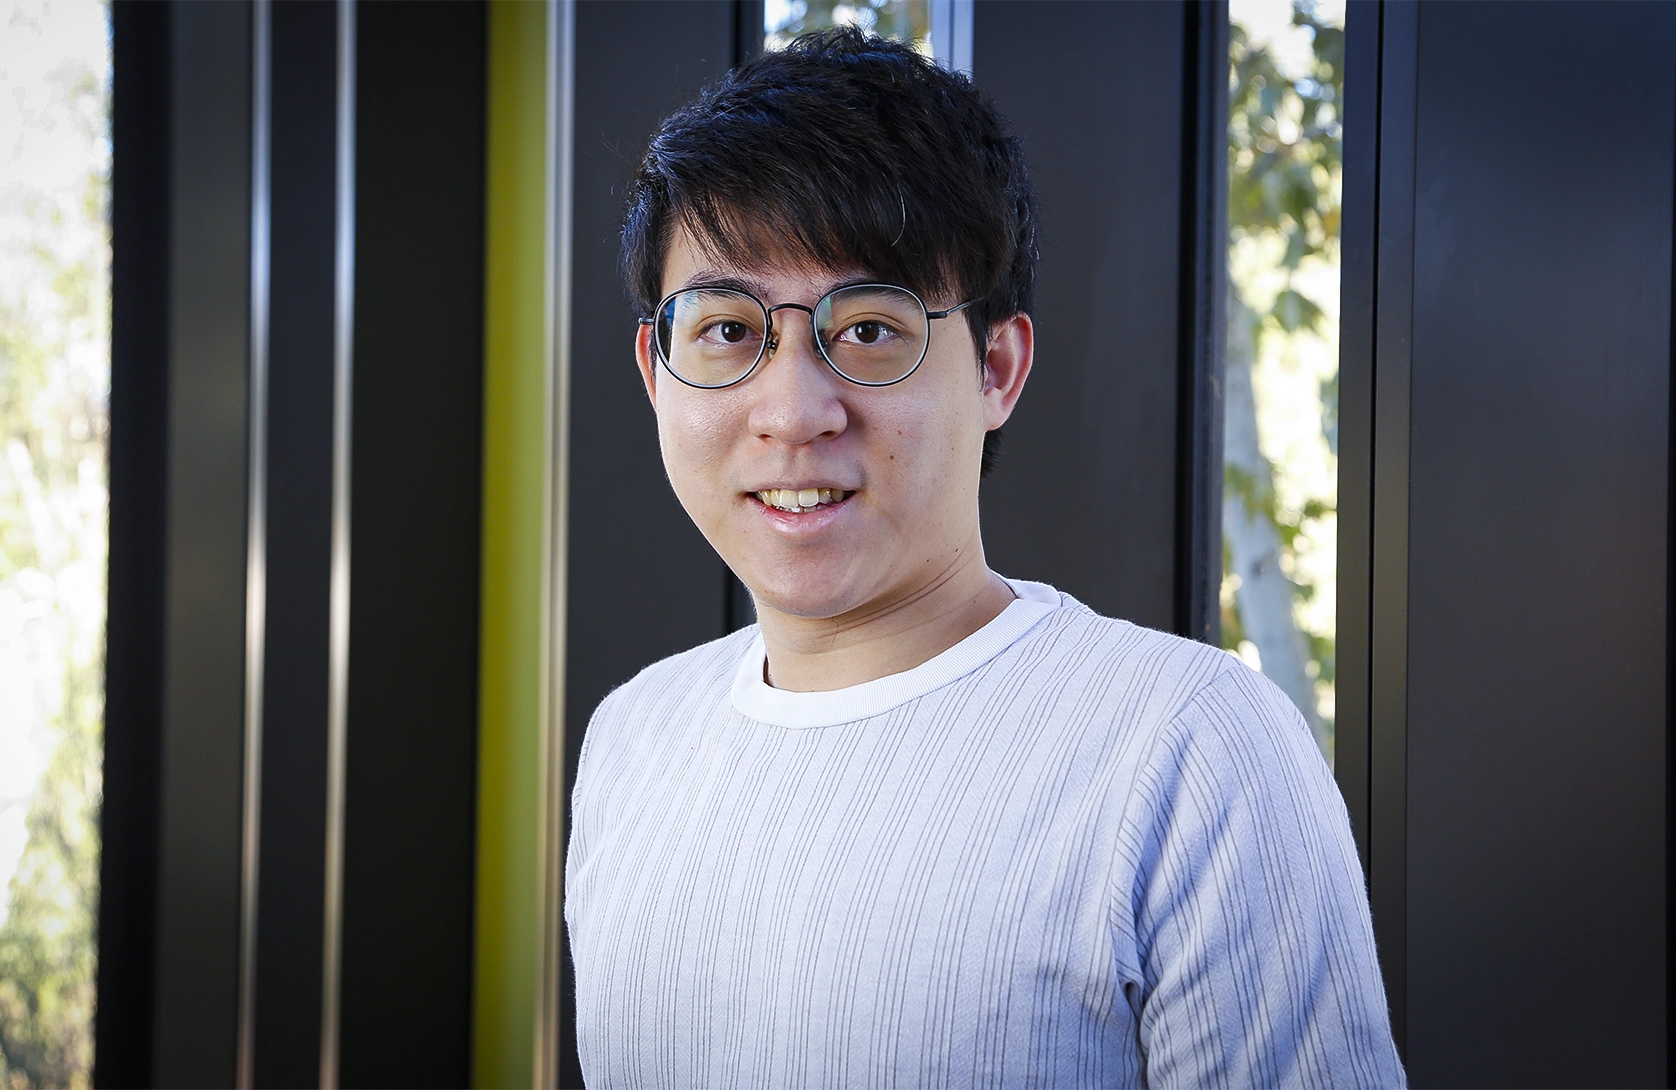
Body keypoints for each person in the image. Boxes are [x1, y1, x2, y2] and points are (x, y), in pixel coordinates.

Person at [565, 28, 1404, 1089]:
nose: (790, 413)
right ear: (657, 370)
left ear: (997, 366)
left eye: (868, 329)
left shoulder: (1188, 750)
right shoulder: (633, 738)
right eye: (727, 330)